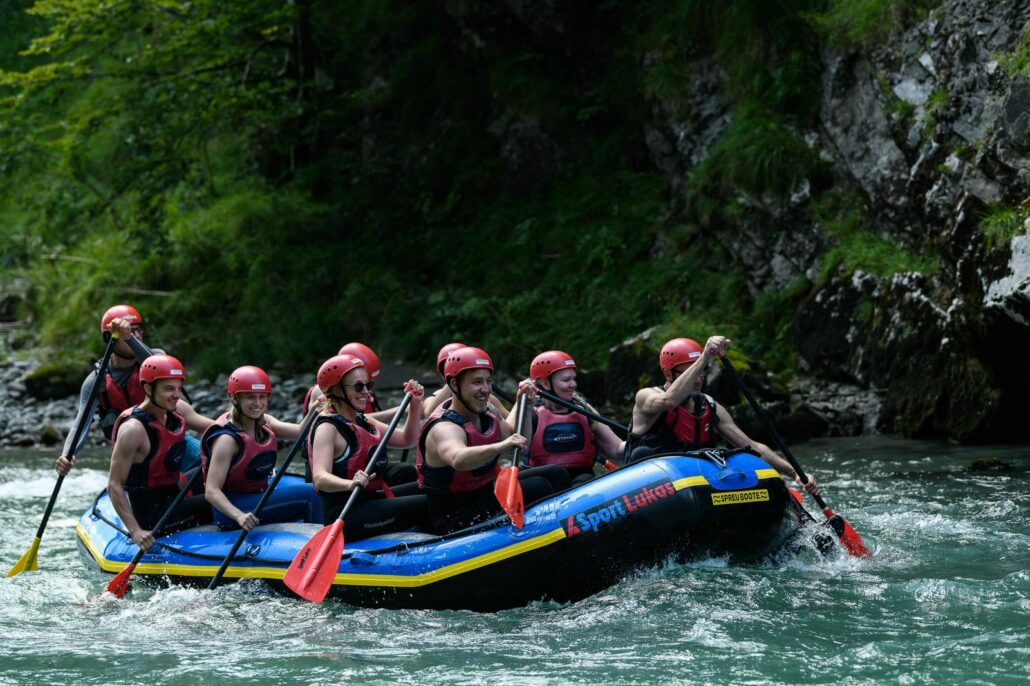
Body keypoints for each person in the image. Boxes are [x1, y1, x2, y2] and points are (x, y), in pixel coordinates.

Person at [629, 336, 819, 496]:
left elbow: (752, 446)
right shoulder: (646, 396)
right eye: (690, 370)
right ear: (667, 373)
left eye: (701, 371)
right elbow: (668, 402)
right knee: (642, 454)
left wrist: (795, 473)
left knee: (739, 457)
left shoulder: (708, 406)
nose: (697, 377)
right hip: (655, 491)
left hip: (696, 486)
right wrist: (703, 358)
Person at [416, 346, 570, 535]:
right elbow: (458, 458)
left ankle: (573, 527)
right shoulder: (444, 428)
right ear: (454, 385)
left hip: (484, 492)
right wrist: (501, 446)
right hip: (454, 514)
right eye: (477, 382)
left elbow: (519, 441)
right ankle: (560, 534)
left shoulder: (488, 412)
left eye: (488, 382)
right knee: (539, 486)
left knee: (555, 473)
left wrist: (524, 403)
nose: (486, 389)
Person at [55, 305, 215, 476]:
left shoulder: (155, 358)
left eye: (138, 330)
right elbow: (81, 424)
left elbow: (155, 364)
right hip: (136, 454)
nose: (136, 335)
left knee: (219, 459)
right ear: (110, 337)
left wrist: (129, 338)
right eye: (129, 331)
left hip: (173, 443)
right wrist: (66, 455)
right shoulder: (96, 381)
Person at [309, 354, 429, 539]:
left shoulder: (362, 420)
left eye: (368, 385)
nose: (367, 392)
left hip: (370, 500)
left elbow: (407, 440)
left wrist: (414, 404)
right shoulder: (327, 428)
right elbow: (320, 477)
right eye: (358, 386)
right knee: (425, 503)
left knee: (431, 487)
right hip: (345, 516)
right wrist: (350, 484)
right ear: (337, 391)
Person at [106, 354, 211, 553]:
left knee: (212, 467)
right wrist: (136, 531)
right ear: (148, 389)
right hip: (155, 514)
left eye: (179, 388)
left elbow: (215, 429)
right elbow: (114, 485)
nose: (176, 395)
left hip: (173, 490)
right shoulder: (133, 430)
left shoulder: (176, 409)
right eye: (169, 389)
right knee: (220, 500)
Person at [200, 366, 320, 530]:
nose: (257, 404)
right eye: (250, 397)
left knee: (314, 491)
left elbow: (299, 432)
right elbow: (211, 491)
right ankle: (319, 545)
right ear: (235, 398)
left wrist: (314, 410)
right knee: (312, 493)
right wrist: (239, 516)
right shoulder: (226, 440)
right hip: (232, 511)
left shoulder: (265, 422)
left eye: (262, 397)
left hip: (256, 497)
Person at [524, 350, 625, 485]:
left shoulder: (583, 409)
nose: (573, 384)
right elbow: (518, 447)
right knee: (556, 475)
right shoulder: (530, 413)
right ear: (546, 383)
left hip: (581, 482)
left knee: (585, 480)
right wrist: (522, 403)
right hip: (545, 487)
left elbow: (616, 448)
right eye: (566, 380)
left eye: (573, 379)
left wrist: (639, 445)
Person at [421, 341, 509, 419]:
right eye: (447, 366)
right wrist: (455, 378)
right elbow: (429, 413)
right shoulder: (435, 395)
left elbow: (512, 424)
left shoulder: (489, 398)